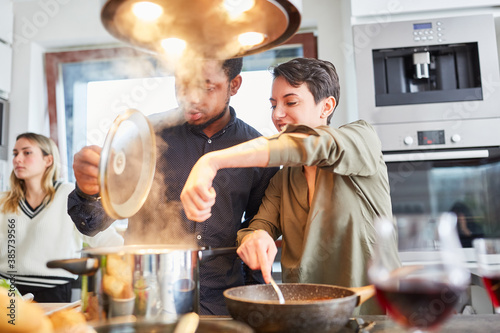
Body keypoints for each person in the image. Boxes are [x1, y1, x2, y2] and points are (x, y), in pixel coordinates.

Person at [181, 57, 401, 314]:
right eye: (274, 104)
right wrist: (256, 237)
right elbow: (260, 224)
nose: (277, 114)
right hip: (307, 316)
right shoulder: (283, 179)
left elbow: (312, 145)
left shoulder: (361, 140)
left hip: (375, 313)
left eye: (291, 102)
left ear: (326, 106)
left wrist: (212, 162)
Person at [67, 57, 278, 315]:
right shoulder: (146, 136)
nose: (191, 98)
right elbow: (93, 223)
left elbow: (257, 233)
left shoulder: (256, 150)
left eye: (206, 87)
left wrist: (257, 306)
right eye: (182, 85)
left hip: (222, 303)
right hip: (147, 299)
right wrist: (88, 189)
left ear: (234, 85)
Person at [0, 133, 123, 303]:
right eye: (15, 154)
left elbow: (109, 241)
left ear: (48, 160)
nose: (17, 159)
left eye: (27, 153)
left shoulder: (70, 195)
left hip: (53, 293)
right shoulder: (3, 200)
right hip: (7, 292)